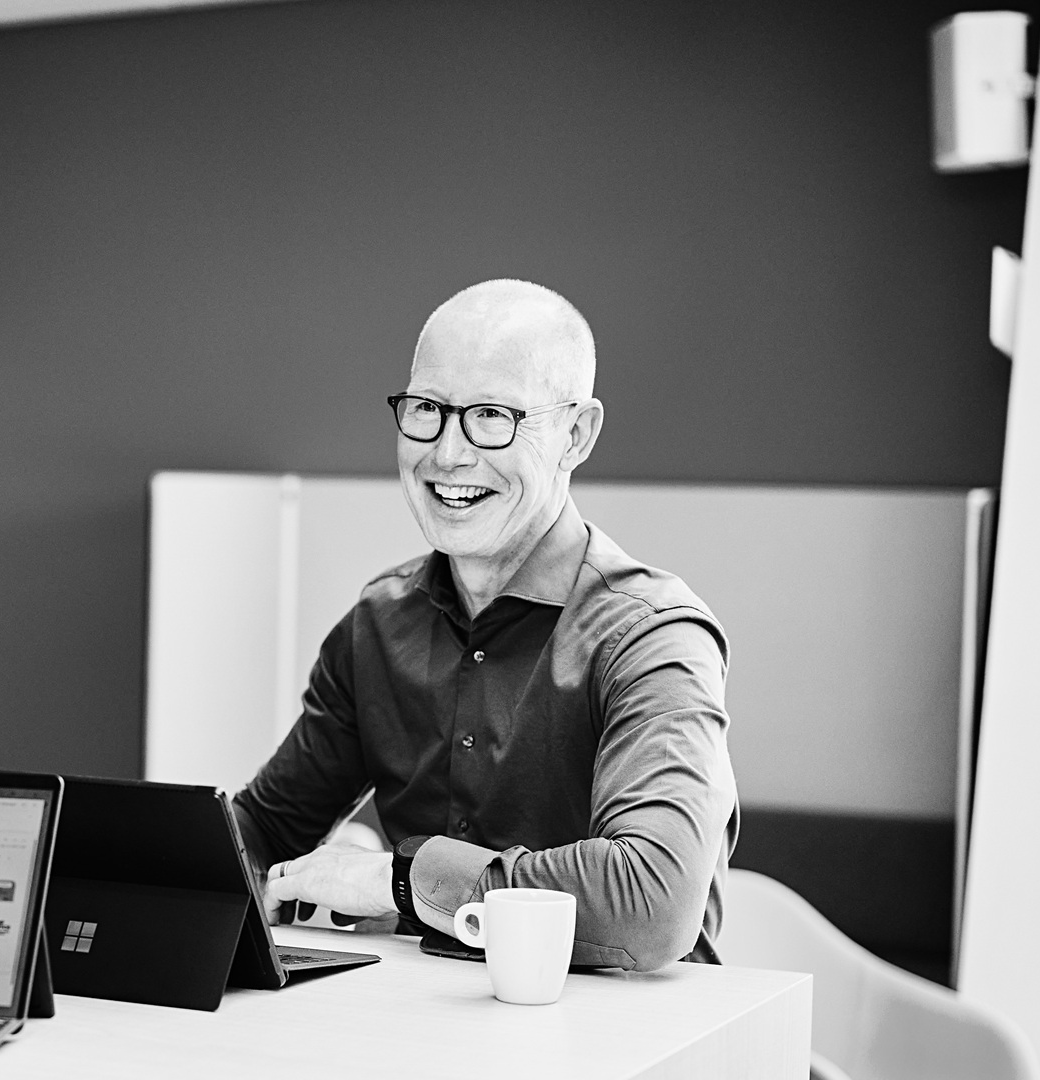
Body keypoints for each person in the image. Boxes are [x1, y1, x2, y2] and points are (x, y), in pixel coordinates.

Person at [238, 279, 735, 970]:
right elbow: (264, 828)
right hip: (431, 1045)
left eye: (493, 416)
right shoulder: (377, 626)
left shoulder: (651, 637)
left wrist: (402, 882)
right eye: (428, 409)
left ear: (577, 435)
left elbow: (651, 899)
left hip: (620, 1053)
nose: (448, 454)